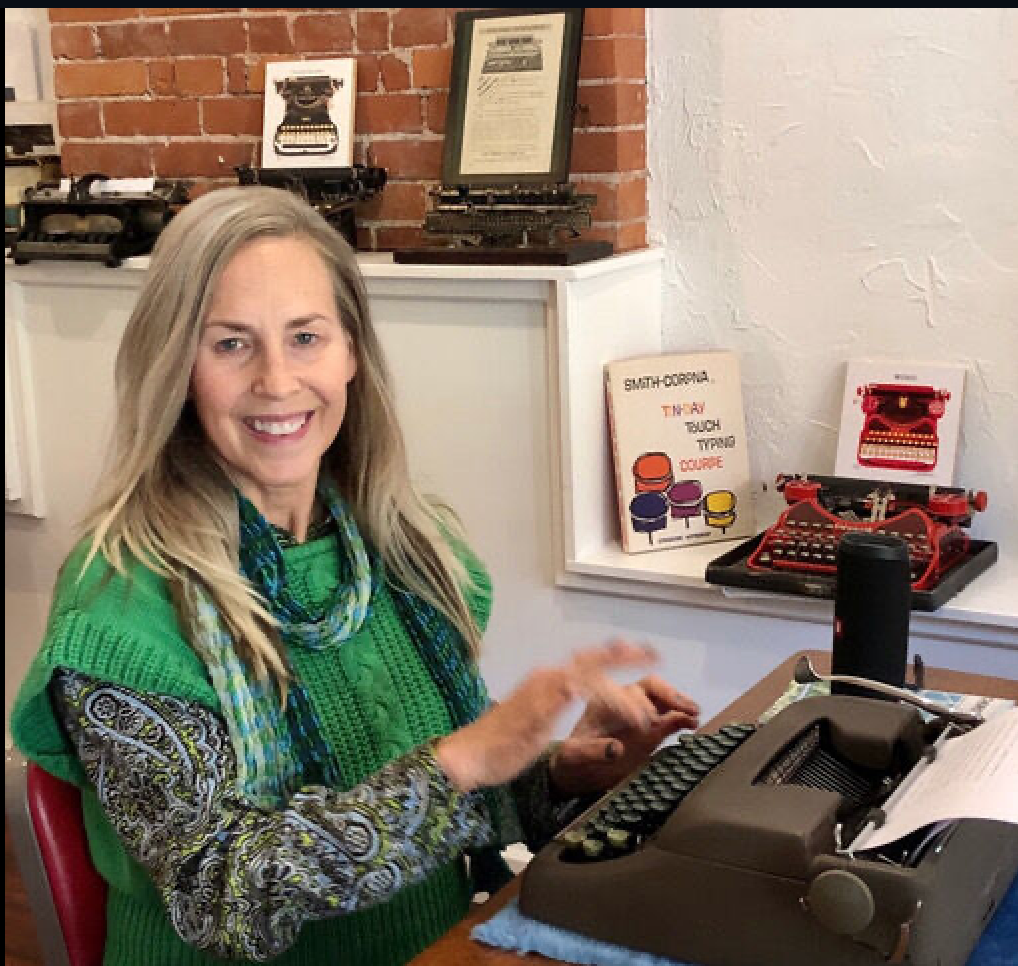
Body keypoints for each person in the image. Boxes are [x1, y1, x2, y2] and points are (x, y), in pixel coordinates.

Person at [10, 186, 700, 966]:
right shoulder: (119, 608)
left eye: (306, 336)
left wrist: (563, 772)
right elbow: (222, 894)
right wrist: (469, 757)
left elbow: (433, 799)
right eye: (230, 344)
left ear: (352, 354)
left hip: (445, 943)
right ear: (175, 367)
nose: (277, 381)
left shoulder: (409, 546)